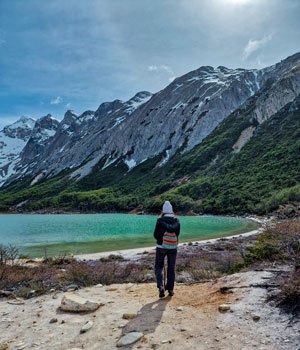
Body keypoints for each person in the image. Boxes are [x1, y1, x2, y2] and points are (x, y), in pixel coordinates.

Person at [153, 200, 180, 298]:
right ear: (172, 211)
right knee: (171, 268)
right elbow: (177, 234)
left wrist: (161, 240)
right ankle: (171, 289)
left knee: (158, 266)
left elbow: (155, 235)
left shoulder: (160, 220)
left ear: (163, 211)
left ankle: (160, 287)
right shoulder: (177, 221)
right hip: (173, 247)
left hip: (161, 247)